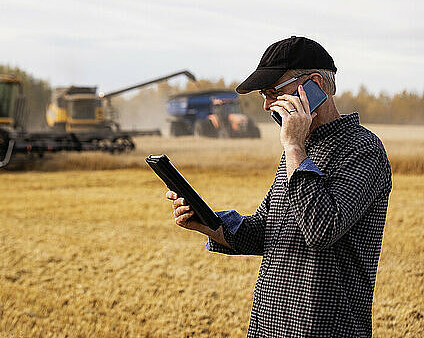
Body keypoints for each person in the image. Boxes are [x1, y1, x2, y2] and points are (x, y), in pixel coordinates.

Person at [167, 36, 392, 337]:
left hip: (323, 330)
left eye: (273, 92)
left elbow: (321, 230)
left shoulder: (363, 150)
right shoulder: (299, 148)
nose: (265, 104)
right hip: (268, 326)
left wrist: (294, 147)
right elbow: (266, 231)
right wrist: (206, 222)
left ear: (315, 85)